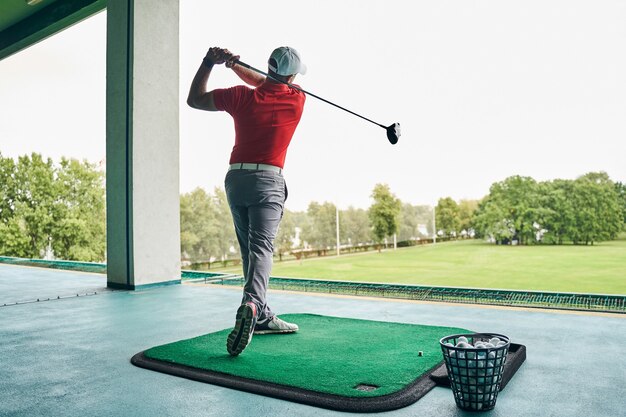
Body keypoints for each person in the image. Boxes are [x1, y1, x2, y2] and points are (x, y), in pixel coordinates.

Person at [187, 46, 307, 356]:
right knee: (261, 249)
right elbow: (269, 83)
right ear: (292, 76)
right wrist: (236, 65)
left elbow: (195, 99)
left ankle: (263, 315)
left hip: (236, 180)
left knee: (248, 252)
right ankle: (252, 305)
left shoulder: (241, 96)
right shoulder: (296, 99)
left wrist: (212, 64)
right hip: (268, 181)